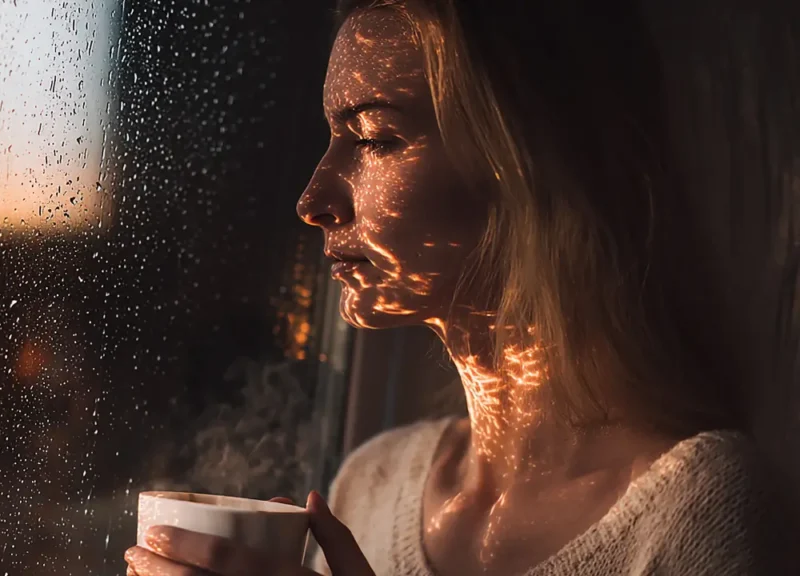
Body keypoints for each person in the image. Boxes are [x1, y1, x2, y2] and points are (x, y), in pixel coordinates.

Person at [126, 0, 799, 574]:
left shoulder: (702, 511)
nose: (312, 199)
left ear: (525, 162)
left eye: (375, 136)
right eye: (332, 136)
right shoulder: (374, 481)